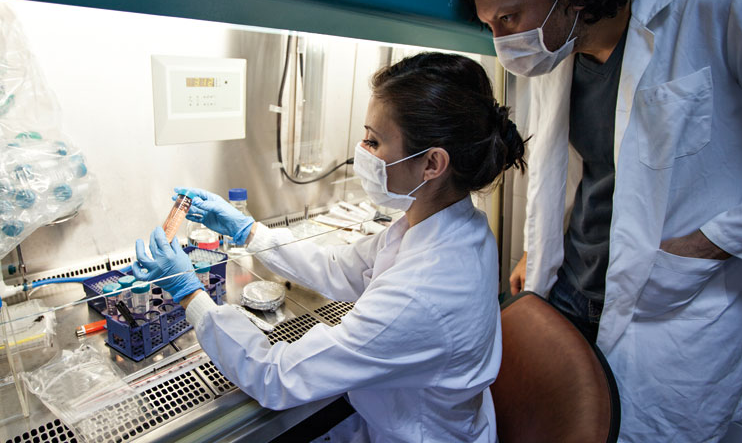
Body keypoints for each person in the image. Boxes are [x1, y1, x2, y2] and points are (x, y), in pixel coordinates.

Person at [462, 0, 742, 441]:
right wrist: (540, 248)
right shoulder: (563, 55)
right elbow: (595, 170)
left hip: (672, 304)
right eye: (490, 26)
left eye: (509, 18)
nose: (503, 43)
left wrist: (710, 244)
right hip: (570, 293)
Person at [133, 52, 527, 442]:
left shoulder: (423, 291)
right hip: (406, 414)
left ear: (432, 164)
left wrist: (190, 295)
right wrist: (249, 232)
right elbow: (342, 267)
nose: (362, 150)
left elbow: (276, 376)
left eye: (374, 140)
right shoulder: (454, 222)